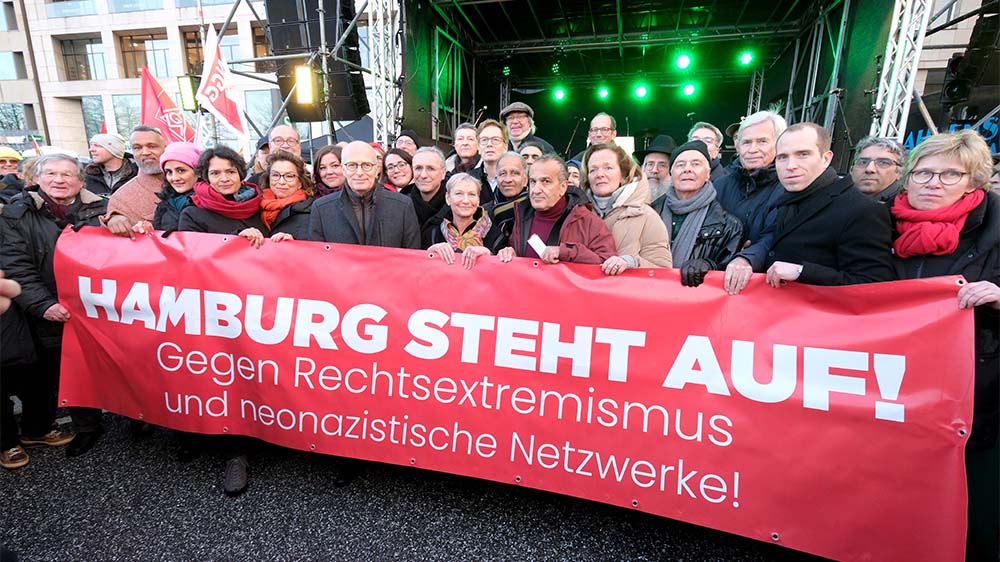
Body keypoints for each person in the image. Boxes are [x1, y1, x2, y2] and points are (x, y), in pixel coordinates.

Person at [886, 130, 998, 561]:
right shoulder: (883, 220)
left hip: (971, 381)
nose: (933, 183)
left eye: (950, 174)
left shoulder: (994, 226)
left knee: (960, 487)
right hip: (894, 378)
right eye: (924, 172)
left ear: (973, 181)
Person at [0, 154, 108, 459]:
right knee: (62, 371)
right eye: (51, 173)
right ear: (37, 177)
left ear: (80, 181)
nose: (59, 180)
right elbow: (15, 264)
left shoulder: (102, 209)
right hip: (49, 309)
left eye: (66, 174)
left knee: (99, 365)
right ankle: (86, 426)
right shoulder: (16, 214)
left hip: (96, 306)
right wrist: (43, 304)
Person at [175, 146, 265, 495]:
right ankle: (207, 438)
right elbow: (190, 257)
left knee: (244, 376)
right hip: (212, 308)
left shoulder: (257, 207)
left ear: (241, 173)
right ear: (205, 177)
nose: (224, 178)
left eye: (229, 171)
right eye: (215, 173)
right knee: (215, 374)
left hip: (253, 308)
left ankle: (238, 452)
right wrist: (231, 244)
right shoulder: (194, 212)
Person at [758, 122, 893, 287]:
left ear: (826, 158)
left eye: (803, 154)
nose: (790, 166)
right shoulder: (790, 196)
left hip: (819, 311)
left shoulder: (863, 210)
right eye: (782, 157)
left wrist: (802, 272)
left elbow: (873, 285)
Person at [651, 141, 744, 287]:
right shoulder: (650, 213)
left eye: (695, 164)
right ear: (671, 174)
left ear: (708, 174)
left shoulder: (729, 226)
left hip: (698, 303)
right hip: (652, 295)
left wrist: (709, 265)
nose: (687, 169)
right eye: (680, 164)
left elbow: (732, 274)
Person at [717, 111, 788, 295]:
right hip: (718, 284)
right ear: (737, 146)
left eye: (762, 141)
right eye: (746, 142)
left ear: (779, 144)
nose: (752, 149)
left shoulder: (789, 187)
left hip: (766, 290)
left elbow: (776, 234)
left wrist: (747, 258)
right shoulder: (719, 186)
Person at [500, 155, 616, 265]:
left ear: (563, 187)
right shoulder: (522, 217)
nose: (536, 190)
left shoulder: (588, 222)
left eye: (546, 181)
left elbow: (606, 263)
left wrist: (565, 252)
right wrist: (510, 254)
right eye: (533, 182)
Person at [308, 141, 421, 248]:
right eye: (352, 165)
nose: (360, 173)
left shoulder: (402, 206)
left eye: (366, 165)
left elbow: (412, 256)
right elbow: (318, 258)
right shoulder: (322, 209)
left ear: (377, 169)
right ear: (343, 169)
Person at [582, 143, 672, 274]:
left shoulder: (646, 216)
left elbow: (663, 270)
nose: (599, 174)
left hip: (626, 293)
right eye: (593, 170)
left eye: (608, 168)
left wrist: (631, 262)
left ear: (623, 175)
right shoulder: (577, 214)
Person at [178, 146, 267, 245]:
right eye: (215, 173)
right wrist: (235, 239)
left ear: (240, 175)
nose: (224, 179)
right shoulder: (192, 214)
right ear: (207, 178)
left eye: (231, 172)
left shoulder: (262, 204)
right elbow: (193, 252)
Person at [423, 173, 507, 268]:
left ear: (478, 200)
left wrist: (490, 256)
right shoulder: (432, 233)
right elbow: (420, 269)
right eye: (459, 194)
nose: (466, 201)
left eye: (471, 194)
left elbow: (503, 272)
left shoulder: (496, 235)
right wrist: (429, 252)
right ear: (448, 198)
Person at [100, 126, 167, 238]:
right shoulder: (121, 199)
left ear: (165, 148)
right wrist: (113, 221)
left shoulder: (193, 183)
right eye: (137, 148)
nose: (145, 152)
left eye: (152, 146)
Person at [131, 142, 201, 233]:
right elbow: (160, 237)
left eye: (181, 171)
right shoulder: (165, 204)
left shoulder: (213, 202)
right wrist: (148, 230)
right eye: (169, 172)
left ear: (198, 172)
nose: (174, 178)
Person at [259, 150, 314, 241]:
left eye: (289, 176)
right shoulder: (254, 206)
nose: (281, 182)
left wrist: (295, 242)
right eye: (275, 175)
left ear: (300, 183)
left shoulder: (311, 212)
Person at [484, 152, 529, 237]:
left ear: (525, 180)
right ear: (496, 180)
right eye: (503, 174)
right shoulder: (485, 213)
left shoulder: (534, 210)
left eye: (515, 173)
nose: (508, 180)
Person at [849, 136, 906, 203]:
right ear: (851, 169)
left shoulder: (905, 209)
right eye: (863, 162)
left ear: (899, 172)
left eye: (883, 162)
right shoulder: (837, 199)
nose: (870, 169)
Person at [402, 147, 448, 227]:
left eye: (431, 169)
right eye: (418, 168)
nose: (423, 175)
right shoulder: (401, 204)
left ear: (443, 173)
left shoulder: (455, 204)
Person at [470, 119, 506, 198]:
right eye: (484, 140)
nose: (489, 144)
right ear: (478, 147)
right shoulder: (469, 179)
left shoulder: (514, 179)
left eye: (495, 139)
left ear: (505, 147)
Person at [634, 135, 677, 202]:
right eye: (650, 164)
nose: (654, 170)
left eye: (662, 165)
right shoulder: (629, 198)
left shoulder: (679, 203)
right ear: (642, 168)